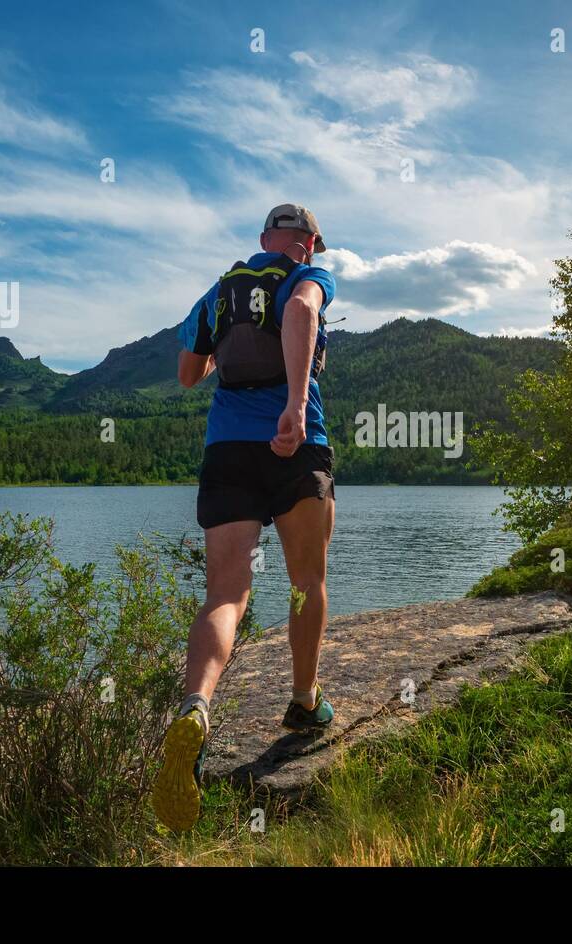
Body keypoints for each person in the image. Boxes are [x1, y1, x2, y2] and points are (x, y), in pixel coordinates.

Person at [151, 204, 338, 831]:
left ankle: (195, 708)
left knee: (225, 594)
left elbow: (186, 374)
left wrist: (223, 353)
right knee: (305, 581)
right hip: (295, 441)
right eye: (309, 243)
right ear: (306, 244)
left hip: (227, 448)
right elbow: (302, 312)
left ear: (262, 240)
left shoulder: (220, 291)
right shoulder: (306, 276)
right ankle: (304, 701)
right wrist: (290, 405)